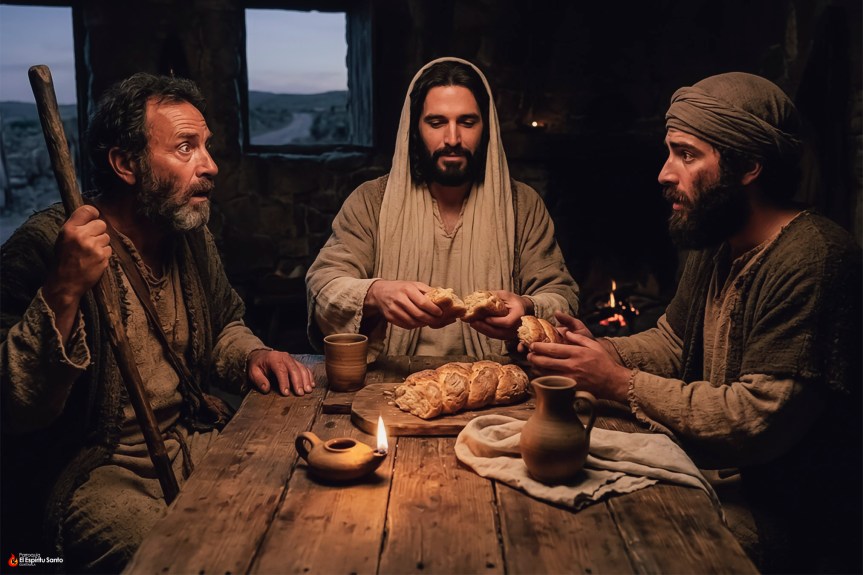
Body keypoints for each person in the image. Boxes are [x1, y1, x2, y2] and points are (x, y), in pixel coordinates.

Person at [525, 72, 861, 573]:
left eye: (686, 154)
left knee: (611, 549)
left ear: (748, 166)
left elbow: (755, 419)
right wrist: (592, 350)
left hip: (790, 517)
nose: (663, 173)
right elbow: (673, 340)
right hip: (715, 478)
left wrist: (616, 380)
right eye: (669, 152)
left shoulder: (815, 259)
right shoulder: (718, 240)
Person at [0, 72, 314, 572]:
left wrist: (254, 353)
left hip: (191, 439)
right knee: (185, 559)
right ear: (126, 164)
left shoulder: (185, 231)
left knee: (296, 502)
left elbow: (225, 323)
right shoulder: (45, 246)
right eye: (186, 148)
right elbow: (17, 405)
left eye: (205, 147)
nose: (209, 166)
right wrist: (62, 288)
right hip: (98, 472)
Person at [306, 57, 578, 360]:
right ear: (414, 129)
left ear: (486, 129)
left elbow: (563, 297)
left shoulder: (522, 205)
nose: (452, 139)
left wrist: (526, 307)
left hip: (494, 384)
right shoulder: (371, 201)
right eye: (436, 123)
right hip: (388, 382)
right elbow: (323, 287)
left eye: (467, 122)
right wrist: (375, 294)